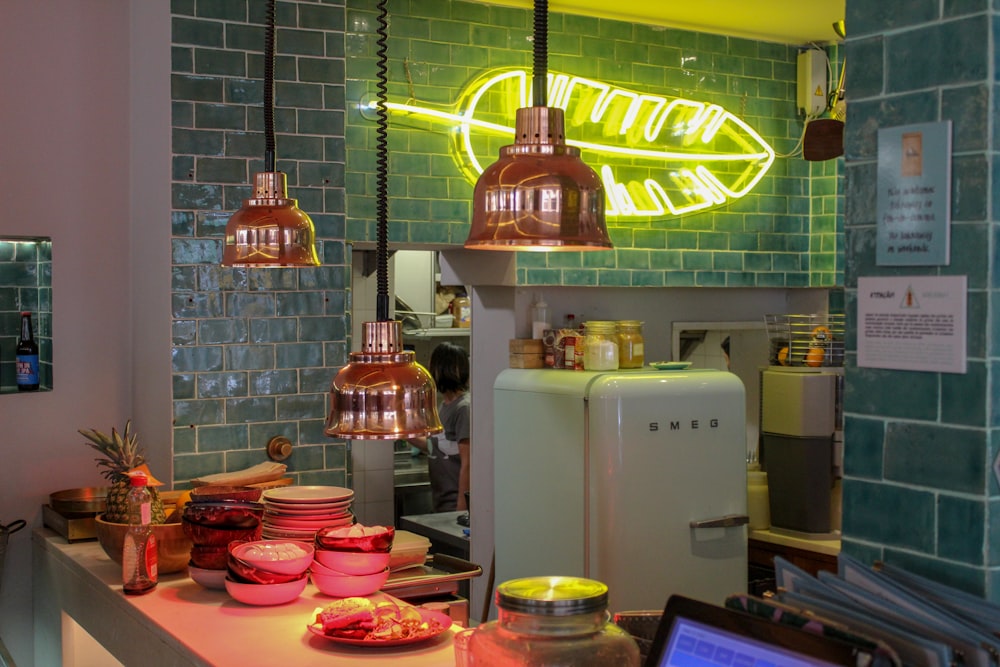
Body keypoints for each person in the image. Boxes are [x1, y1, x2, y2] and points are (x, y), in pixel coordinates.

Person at [408, 342, 470, 513]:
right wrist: (402, 432)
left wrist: (462, 509)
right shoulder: (444, 406)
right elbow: (435, 446)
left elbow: (468, 464)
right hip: (441, 503)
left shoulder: (463, 408)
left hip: (455, 506)